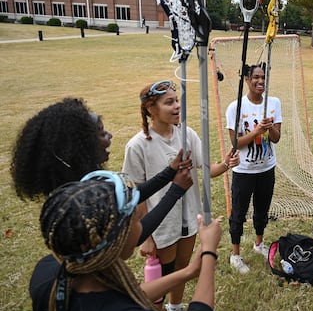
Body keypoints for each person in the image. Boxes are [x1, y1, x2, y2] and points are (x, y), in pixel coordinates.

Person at [31, 170, 222, 311]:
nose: (141, 226)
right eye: (138, 219)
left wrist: (188, 272)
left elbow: (125, 296)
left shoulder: (47, 272)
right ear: (118, 239)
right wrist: (209, 253)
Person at [123, 80, 238, 311]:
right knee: (163, 277)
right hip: (161, 225)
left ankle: (174, 310)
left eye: (177, 101)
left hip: (189, 217)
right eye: (169, 102)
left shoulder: (188, 134)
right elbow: (137, 194)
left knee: (181, 269)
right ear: (150, 108)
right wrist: (146, 236)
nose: (177, 106)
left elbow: (206, 169)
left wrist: (226, 164)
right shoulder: (138, 146)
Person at [10, 97, 194, 245]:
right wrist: (175, 191)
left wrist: (170, 172)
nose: (110, 135)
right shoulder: (86, 202)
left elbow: (127, 195)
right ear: (77, 147)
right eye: (101, 132)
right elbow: (133, 236)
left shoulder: (81, 185)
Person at [225, 63, 282, 273]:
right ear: (247, 80)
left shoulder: (274, 103)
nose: (260, 81)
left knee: (262, 210)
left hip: (267, 168)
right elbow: (235, 144)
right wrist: (256, 131)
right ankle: (236, 254)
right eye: (256, 77)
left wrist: (269, 129)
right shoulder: (236, 107)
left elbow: (276, 139)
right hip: (244, 171)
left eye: (263, 77)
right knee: (238, 213)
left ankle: (259, 244)